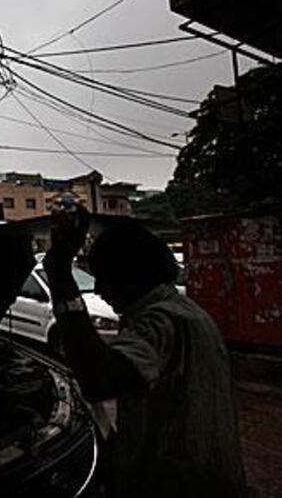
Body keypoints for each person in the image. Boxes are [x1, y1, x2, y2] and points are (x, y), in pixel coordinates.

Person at [42, 207, 246, 497]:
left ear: (133, 274)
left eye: (105, 276)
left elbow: (98, 380)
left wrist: (61, 276)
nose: (98, 289)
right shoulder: (185, 312)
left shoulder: (160, 321)